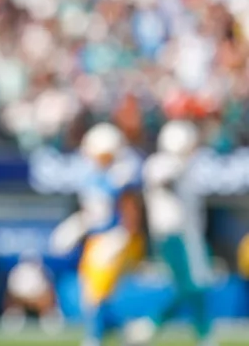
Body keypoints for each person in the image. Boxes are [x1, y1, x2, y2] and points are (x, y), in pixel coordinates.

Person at [49, 123, 144, 346]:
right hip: (96, 239)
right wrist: (77, 226)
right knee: (91, 294)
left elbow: (130, 211)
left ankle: (95, 338)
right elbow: (92, 212)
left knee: (97, 293)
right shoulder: (90, 176)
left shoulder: (120, 176)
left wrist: (123, 236)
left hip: (115, 238)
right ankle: (126, 333)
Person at [125, 121, 216, 346]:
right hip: (174, 234)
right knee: (191, 285)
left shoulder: (187, 165)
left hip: (187, 233)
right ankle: (152, 324)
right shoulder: (162, 163)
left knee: (196, 285)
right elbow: (164, 180)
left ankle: (200, 333)